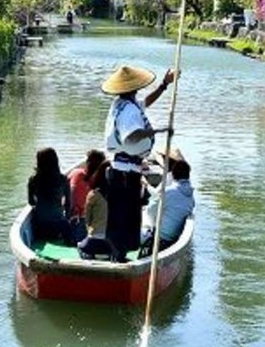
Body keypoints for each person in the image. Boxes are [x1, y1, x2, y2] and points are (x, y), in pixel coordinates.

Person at [101, 65, 176, 261]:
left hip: (120, 169)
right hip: (126, 173)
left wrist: (163, 85)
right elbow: (131, 137)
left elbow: (145, 103)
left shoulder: (122, 104)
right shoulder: (128, 112)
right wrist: (158, 131)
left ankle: (116, 255)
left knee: (119, 215)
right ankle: (119, 256)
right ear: (134, 88)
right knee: (127, 216)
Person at [140, 159, 194, 257]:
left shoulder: (168, 192)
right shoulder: (191, 197)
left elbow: (150, 211)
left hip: (160, 239)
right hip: (174, 237)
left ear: (173, 175)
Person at [27, 147, 73, 244]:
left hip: (41, 226)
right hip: (60, 226)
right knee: (69, 227)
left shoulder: (33, 180)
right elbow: (68, 203)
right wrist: (67, 218)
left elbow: (31, 202)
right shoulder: (62, 179)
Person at [77, 160, 119, 260]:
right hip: (113, 242)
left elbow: (87, 219)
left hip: (94, 240)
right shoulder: (120, 195)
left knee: (79, 245)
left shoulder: (93, 195)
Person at [67, 149, 105, 242]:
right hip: (89, 222)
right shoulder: (101, 181)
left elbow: (71, 191)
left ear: (87, 162)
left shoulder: (76, 173)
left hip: (77, 220)